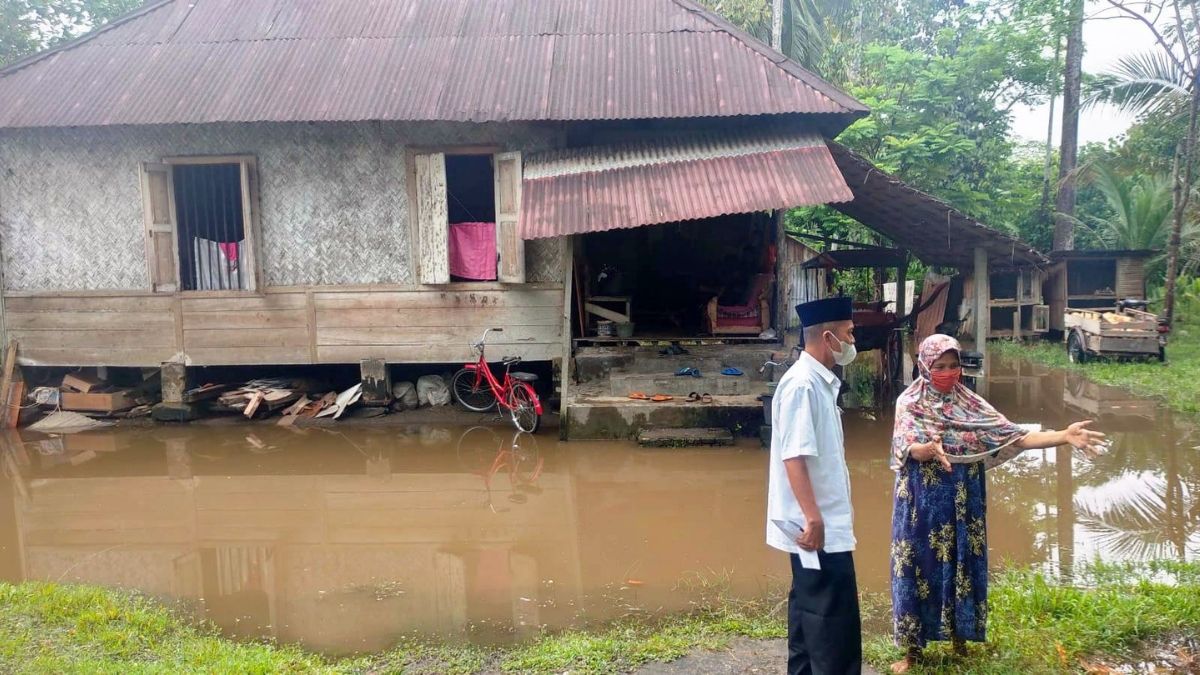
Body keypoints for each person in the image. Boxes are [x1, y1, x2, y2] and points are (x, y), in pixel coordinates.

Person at [889, 334, 1106, 674]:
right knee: (919, 566)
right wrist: (927, 449)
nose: (949, 373)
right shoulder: (910, 402)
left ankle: (960, 639)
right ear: (924, 367)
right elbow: (907, 447)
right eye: (940, 367)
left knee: (963, 563)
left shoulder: (972, 404)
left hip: (965, 498)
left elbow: (1016, 436)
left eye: (954, 365)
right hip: (922, 500)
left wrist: (1064, 436)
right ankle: (912, 652)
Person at [767, 296, 862, 675]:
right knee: (832, 628)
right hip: (818, 529)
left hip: (819, 525)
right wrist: (814, 518)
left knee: (811, 616)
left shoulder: (819, 383)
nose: (853, 342)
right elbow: (794, 456)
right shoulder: (803, 386)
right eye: (849, 334)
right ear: (828, 337)